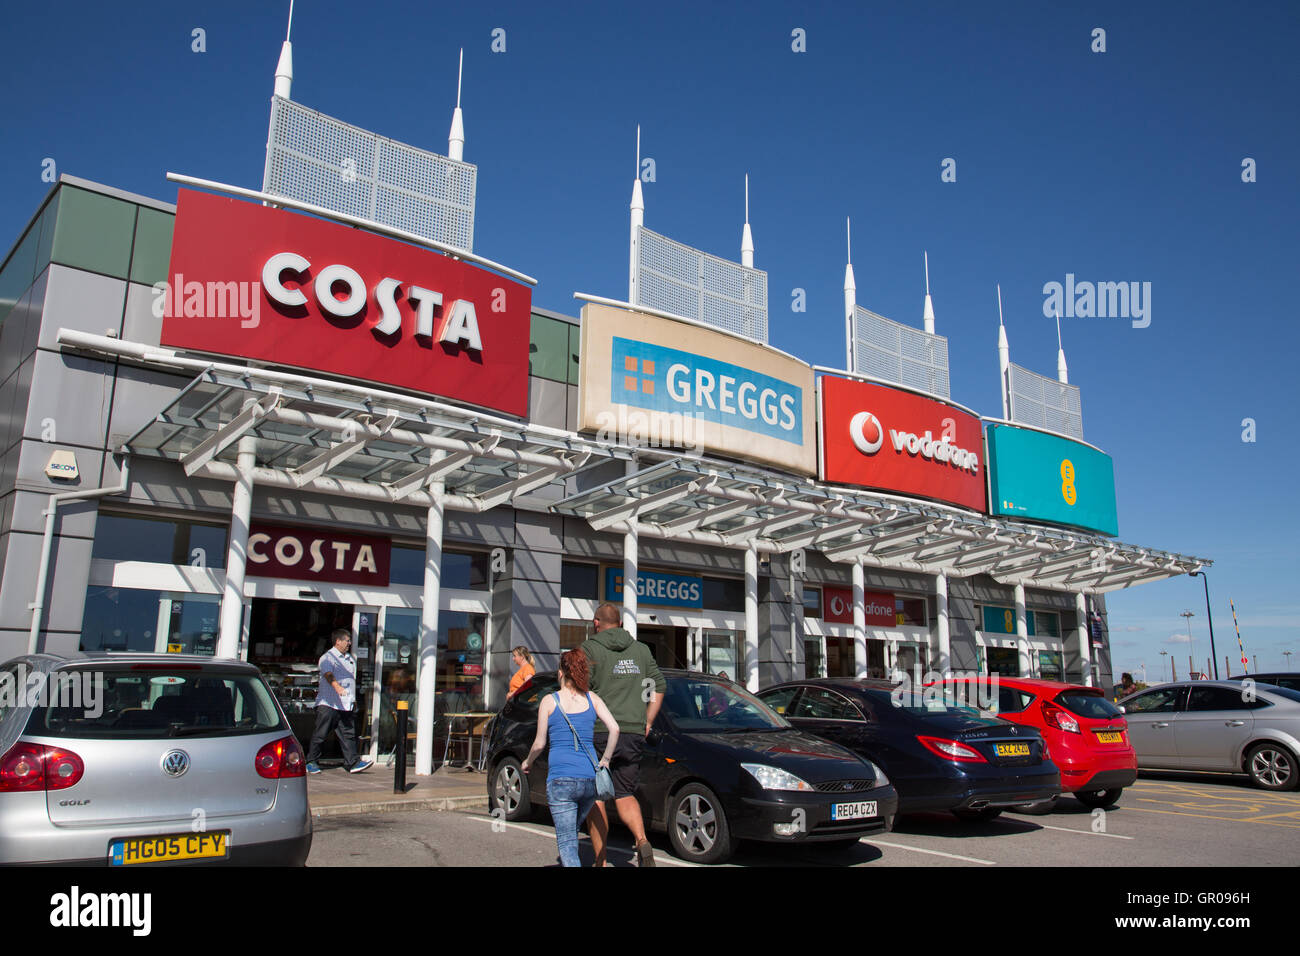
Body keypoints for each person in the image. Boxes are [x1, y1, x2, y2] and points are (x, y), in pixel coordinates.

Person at [581, 602, 666, 867]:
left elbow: (579, 690)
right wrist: (648, 720)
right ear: (619, 624)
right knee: (625, 793)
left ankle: (600, 860)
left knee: (597, 797)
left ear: (596, 623)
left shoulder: (589, 649)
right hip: (632, 732)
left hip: (600, 732)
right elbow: (658, 685)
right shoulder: (641, 650)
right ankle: (641, 840)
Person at [521, 650, 618, 867]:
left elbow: (539, 743)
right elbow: (615, 728)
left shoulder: (549, 701)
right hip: (589, 780)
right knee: (571, 831)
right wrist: (605, 760)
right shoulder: (592, 698)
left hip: (561, 780)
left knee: (566, 842)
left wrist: (528, 762)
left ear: (561, 673)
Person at [305, 628, 373, 774]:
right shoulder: (327, 658)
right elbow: (328, 674)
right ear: (338, 641)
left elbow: (351, 681)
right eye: (347, 640)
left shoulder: (349, 659)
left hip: (346, 705)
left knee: (348, 735)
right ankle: (311, 761)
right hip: (329, 703)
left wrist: (353, 700)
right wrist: (337, 687)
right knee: (321, 733)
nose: (349, 643)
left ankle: (352, 763)